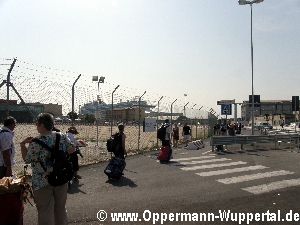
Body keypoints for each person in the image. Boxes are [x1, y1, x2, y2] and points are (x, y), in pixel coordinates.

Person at [20, 113, 75, 225]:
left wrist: (22, 144)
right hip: (60, 176)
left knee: (45, 210)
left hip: (42, 180)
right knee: (60, 208)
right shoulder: (61, 136)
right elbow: (72, 149)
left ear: (41, 126)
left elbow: (27, 159)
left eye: (37, 124)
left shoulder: (35, 142)